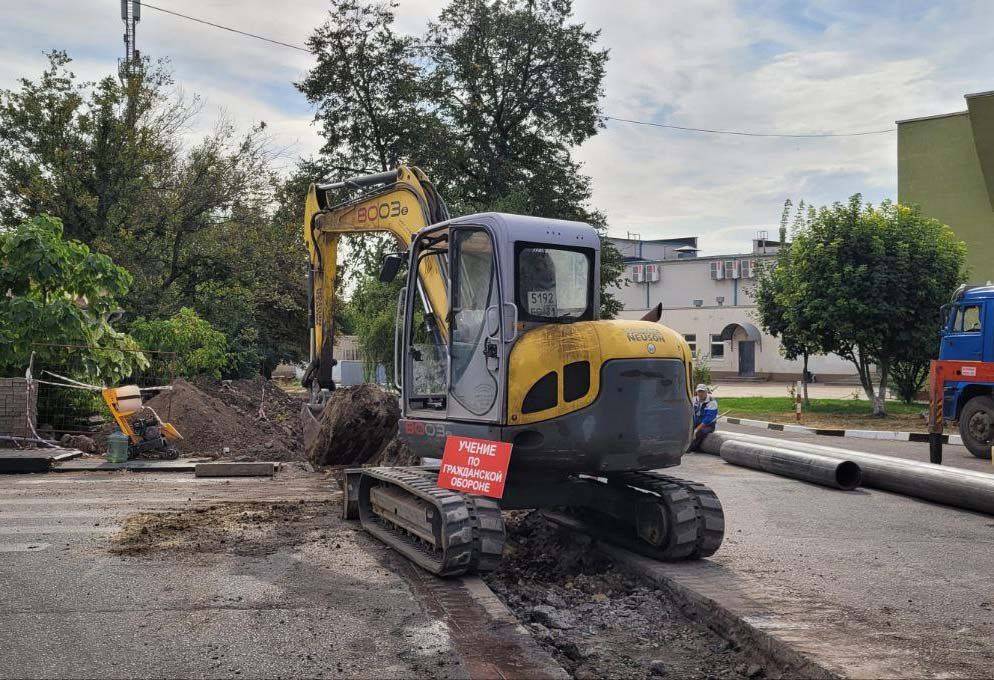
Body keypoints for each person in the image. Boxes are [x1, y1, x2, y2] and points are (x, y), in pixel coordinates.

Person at [690, 384, 718, 451]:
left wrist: (696, 430)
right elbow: (689, 413)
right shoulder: (694, 400)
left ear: (706, 392)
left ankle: (693, 448)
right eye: (699, 391)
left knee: (700, 432)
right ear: (696, 392)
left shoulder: (712, 402)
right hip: (695, 423)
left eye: (702, 392)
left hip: (707, 425)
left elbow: (708, 419)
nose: (701, 394)